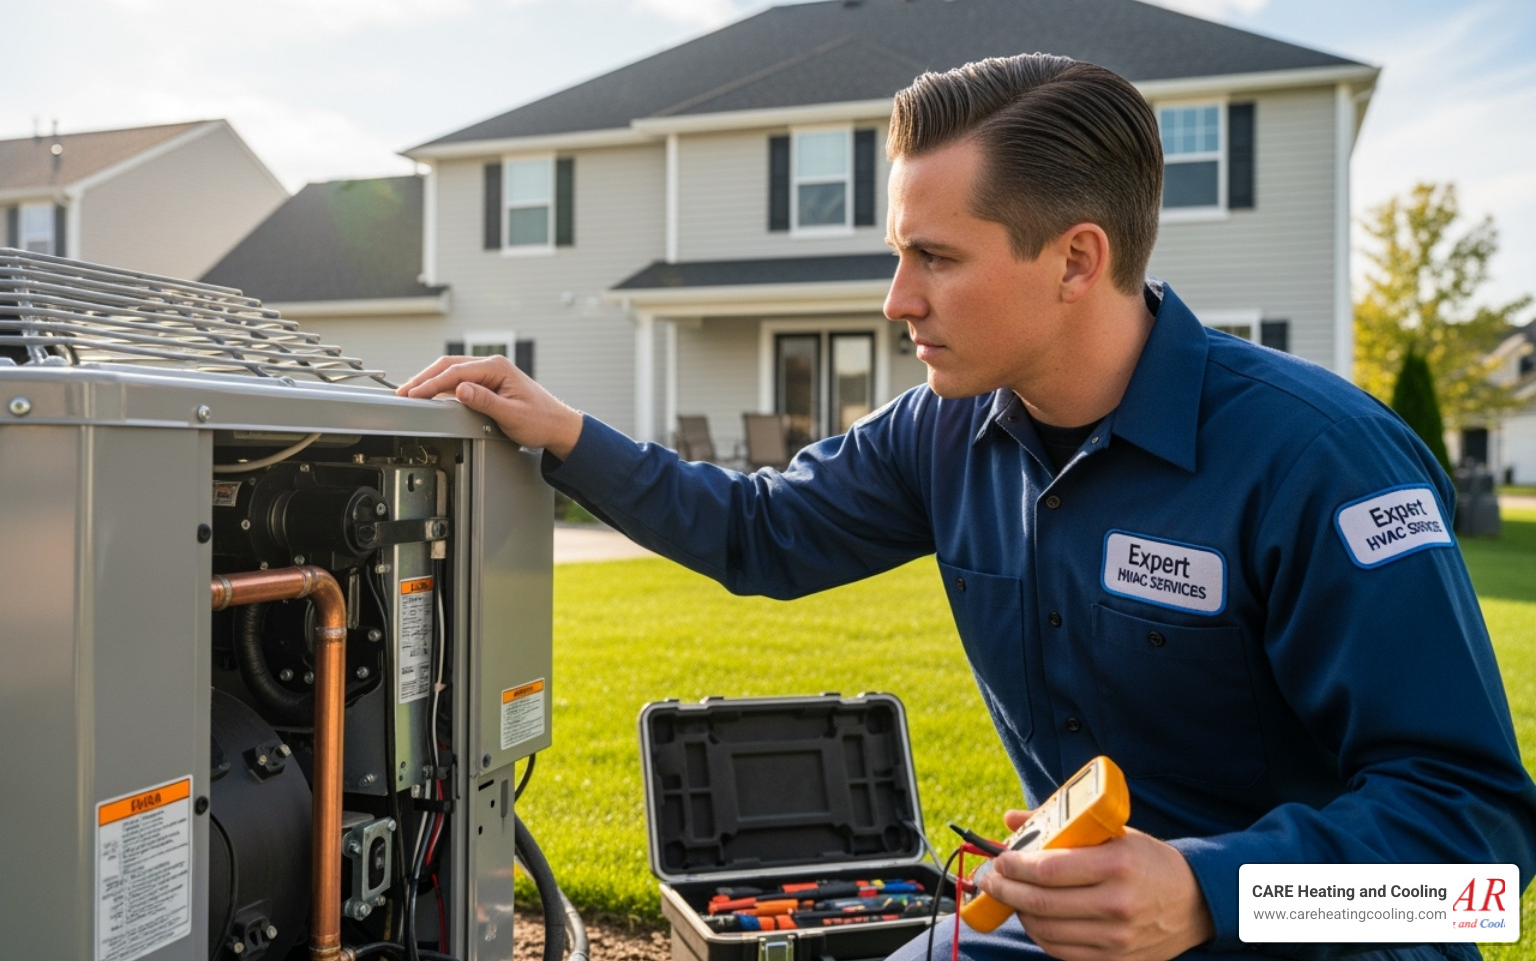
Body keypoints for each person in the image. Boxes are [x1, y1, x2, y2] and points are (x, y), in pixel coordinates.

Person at [399, 54, 1536, 961]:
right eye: (901, 254)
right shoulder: (943, 431)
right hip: (1071, 930)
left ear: (1077, 259)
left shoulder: (1323, 463)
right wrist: (570, 438)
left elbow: (1482, 859)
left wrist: (1208, 892)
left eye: (935, 258)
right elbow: (759, 531)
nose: (898, 300)